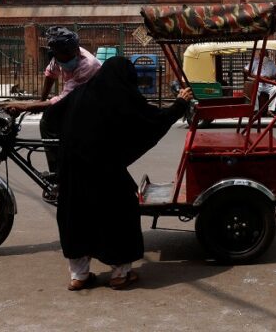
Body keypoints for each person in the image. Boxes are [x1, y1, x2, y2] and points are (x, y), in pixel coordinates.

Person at [45, 57, 193, 291]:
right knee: (120, 212)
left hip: (72, 172)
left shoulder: (80, 93)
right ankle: (120, 274)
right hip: (105, 171)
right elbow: (152, 121)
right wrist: (180, 104)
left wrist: (57, 163)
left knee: (76, 217)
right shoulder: (121, 99)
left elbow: (50, 118)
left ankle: (79, 276)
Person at [4, 27, 101, 175]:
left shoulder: (87, 64)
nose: (69, 57)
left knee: (48, 122)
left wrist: (25, 106)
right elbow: (50, 75)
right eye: (62, 56)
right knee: (53, 121)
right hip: (78, 101)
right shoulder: (59, 57)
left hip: (93, 105)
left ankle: (58, 174)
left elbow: (63, 100)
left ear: (76, 50)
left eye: (71, 54)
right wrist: (41, 101)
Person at [245, 51, 276, 115]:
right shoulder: (255, 62)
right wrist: (257, 76)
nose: (264, 57)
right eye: (263, 55)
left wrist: (269, 77)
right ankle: (255, 110)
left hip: (268, 84)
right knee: (254, 90)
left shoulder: (271, 63)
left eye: (266, 55)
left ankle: (270, 110)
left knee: (275, 89)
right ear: (260, 55)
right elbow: (245, 70)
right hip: (258, 84)